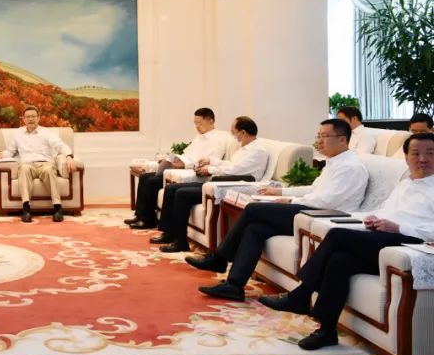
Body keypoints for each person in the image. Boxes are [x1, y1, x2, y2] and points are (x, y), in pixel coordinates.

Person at [259, 132, 434, 350]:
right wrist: (371, 219)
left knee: (337, 235)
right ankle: (326, 331)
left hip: (411, 244)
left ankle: (301, 294)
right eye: (416, 153)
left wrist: (399, 228)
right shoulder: (405, 184)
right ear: (406, 158)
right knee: (339, 261)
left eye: (430, 153)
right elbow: (385, 211)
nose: (422, 159)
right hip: (384, 240)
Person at [188, 118, 370, 300]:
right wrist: (281, 191)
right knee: (255, 229)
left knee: (253, 210)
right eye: (318, 136)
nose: (319, 141)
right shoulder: (334, 163)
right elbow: (313, 190)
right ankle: (234, 285)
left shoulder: (350, 167)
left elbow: (328, 201)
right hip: (310, 208)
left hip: (321, 216)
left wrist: (290, 200)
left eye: (324, 136)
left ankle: (219, 258)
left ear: (342, 139)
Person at [152, 116, 270, 252]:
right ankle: (168, 233)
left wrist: (209, 169)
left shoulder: (257, 151)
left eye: (233, 132)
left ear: (243, 133)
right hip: (220, 181)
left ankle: (180, 242)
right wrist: (211, 161)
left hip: (231, 186)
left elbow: (234, 170)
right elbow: (231, 164)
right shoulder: (245, 148)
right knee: (172, 188)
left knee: (182, 194)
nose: (232, 135)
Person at [126, 108, 231, 230]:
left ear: (211, 121)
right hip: (182, 167)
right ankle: (140, 215)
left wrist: (182, 165)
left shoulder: (219, 139)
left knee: (152, 181)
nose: (197, 127)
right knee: (145, 177)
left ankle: (147, 220)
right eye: (195, 123)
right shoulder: (199, 137)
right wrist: (173, 160)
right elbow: (188, 154)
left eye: (200, 123)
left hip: (193, 173)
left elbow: (208, 161)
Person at [0, 105, 76, 223]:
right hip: (27, 164)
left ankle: (57, 207)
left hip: (45, 163)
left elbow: (60, 145)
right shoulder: (18, 134)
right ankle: (26, 208)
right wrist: (1, 154)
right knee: (23, 169)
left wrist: (69, 156)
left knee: (49, 170)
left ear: (38, 118)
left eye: (33, 116)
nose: (30, 119)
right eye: (28, 117)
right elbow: (11, 152)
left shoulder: (47, 133)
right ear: (23, 119)